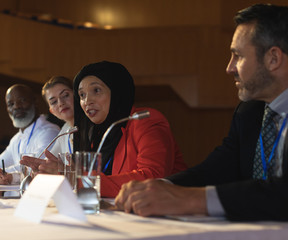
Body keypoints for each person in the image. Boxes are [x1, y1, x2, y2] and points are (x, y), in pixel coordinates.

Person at [115, 4, 288, 221]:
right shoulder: (250, 111)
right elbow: (218, 168)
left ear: (273, 59)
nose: (229, 68)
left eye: (238, 56)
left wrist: (190, 200)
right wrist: (159, 186)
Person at [72, 60, 187, 197]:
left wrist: (76, 180)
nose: (87, 101)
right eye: (82, 95)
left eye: (96, 90)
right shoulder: (97, 136)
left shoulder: (145, 121)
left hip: (167, 211)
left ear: (117, 92)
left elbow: (152, 178)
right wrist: (65, 172)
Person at [20, 76, 75, 174]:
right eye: (54, 102)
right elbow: (48, 162)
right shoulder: (65, 130)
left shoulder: (91, 126)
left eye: (65, 95)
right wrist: (41, 168)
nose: (61, 103)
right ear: (51, 111)